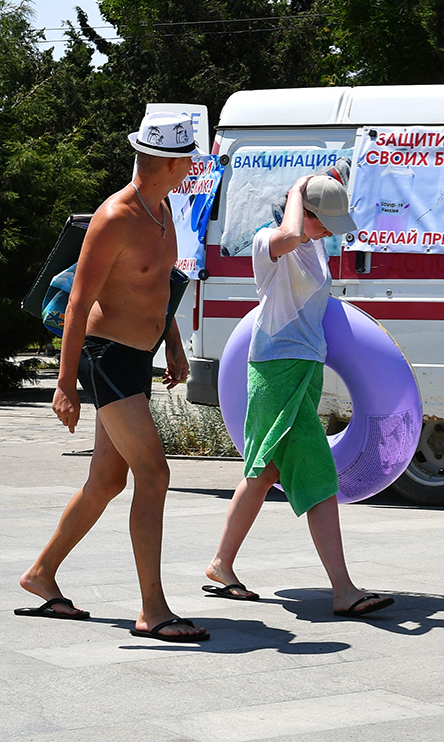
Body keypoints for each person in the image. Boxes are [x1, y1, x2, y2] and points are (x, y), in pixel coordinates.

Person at [16, 111, 208, 642]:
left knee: (107, 480)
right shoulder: (115, 216)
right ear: (167, 162)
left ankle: (40, 574)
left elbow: (162, 286)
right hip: (104, 357)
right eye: (187, 157)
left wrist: (171, 345)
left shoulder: (166, 209)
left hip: (137, 358)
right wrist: (62, 384)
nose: (193, 164)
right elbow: (78, 303)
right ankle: (152, 609)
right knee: (155, 473)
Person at [203, 174, 394, 618]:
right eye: (323, 220)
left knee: (263, 471)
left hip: (303, 367)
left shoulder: (313, 244)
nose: (330, 229)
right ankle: (343, 590)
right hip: (275, 369)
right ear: (300, 210)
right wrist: (297, 189)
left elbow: (308, 243)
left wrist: (332, 183)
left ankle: (220, 564)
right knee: (318, 473)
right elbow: (290, 232)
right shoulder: (269, 241)